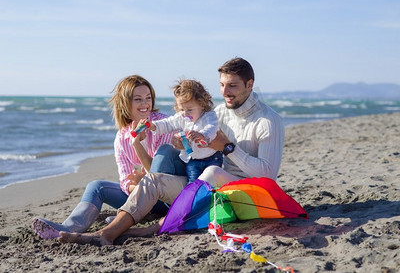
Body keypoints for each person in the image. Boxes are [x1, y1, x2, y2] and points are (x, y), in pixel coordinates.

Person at [58, 57, 285, 246]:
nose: (225, 92)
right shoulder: (219, 112)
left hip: (247, 193)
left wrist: (227, 148)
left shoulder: (268, 121)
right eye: (222, 85)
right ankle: (106, 234)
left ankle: (153, 227)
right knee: (153, 180)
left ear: (250, 84)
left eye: (233, 85)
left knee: (212, 172)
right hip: (211, 186)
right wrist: (183, 144)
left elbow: (267, 176)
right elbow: (188, 127)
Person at [31, 75, 186, 240]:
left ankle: (125, 220)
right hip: (145, 199)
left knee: (164, 152)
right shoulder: (121, 138)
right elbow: (126, 183)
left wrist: (138, 147)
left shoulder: (164, 124)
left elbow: (159, 175)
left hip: (170, 198)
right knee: (97, 187)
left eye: (148, 98)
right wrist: (138, 185)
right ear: (125, 103)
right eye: (138, 99)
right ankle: (69, 227)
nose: (145, 104)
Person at [148, 79, 222, 183]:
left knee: (211, 183)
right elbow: (168, 123)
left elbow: (212, 128)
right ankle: (193, 198)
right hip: (193, 160)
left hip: (212, 158)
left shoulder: (208, 115)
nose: (185, 113)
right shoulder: (182, 117)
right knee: (192, 183)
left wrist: (202, 135)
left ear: (201, 104)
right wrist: (153, 125)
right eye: (182, 109)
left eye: (190, 110)